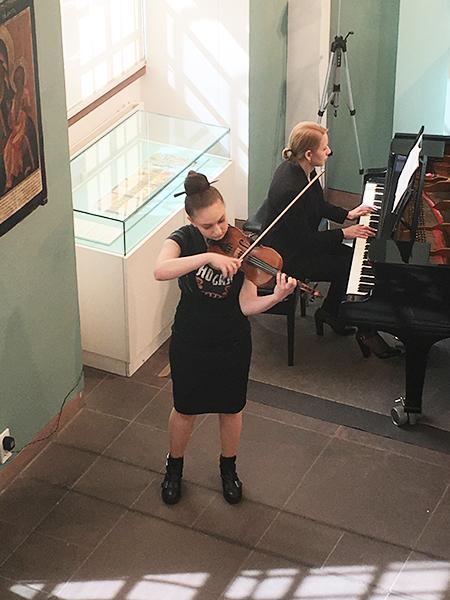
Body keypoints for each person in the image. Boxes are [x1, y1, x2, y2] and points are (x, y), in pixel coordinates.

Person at [154, 170, 297, 505]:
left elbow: (246, 305)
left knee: (231, 409)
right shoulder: (182, 240)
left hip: (231, 340)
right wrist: (208, 256)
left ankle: (228, 469)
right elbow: (160, 270)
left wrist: (276, 298)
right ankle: (174, 468)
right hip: (191, 338)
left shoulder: (242, 245)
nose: (219, 230)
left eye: (221, 220)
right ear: (191, 220)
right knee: (185, 409)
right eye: (208, 226)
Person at [260, 121, 401, 358]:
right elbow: (304, 241)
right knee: (349, 265)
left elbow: (318, 205)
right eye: (324, 148)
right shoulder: (290, 188)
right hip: (288, 256)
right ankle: (350, 322)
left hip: (300, 241)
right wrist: (344, 233)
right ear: (309, 153)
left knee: (353, 258)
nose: (329, 151)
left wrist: (347, 214)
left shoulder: (303, 168)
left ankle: (331, 312)